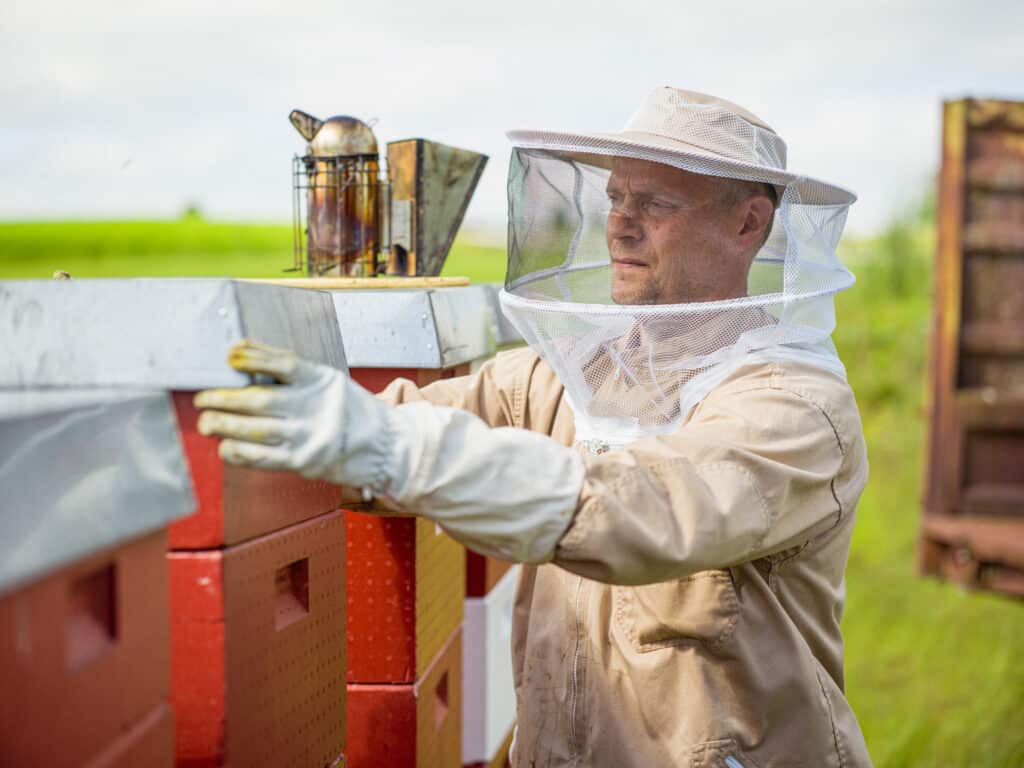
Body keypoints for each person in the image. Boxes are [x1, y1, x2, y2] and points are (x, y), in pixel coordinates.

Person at [195, 87, 872, 767]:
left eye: (657, 204)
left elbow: (648, 508)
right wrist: (242, 409)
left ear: (748, 224)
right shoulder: (570, 376)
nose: (621, 225)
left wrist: (391, 449)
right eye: (615, 199)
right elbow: (406, 420)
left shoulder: (796, 407)